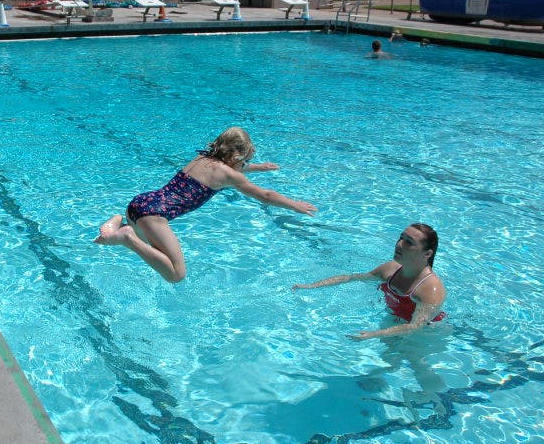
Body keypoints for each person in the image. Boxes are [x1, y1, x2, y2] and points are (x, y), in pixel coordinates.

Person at [95, 127, 318, 283]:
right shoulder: (231, 174)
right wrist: (295, 204)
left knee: (152, 251)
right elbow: (266, 195)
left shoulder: (203, 159)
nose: (244, 165)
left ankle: (119, 222)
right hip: (153, 216)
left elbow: (228, 169)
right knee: (176, 274)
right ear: (237, 156)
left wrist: (257, 168)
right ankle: (125, 236)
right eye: (244, 160)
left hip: (140, 203)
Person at [292, 223, 446, 339]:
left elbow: (415, 327)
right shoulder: (391, 269)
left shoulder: (430, 288)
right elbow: (352, 277)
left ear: (427, 254)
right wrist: (311, 286)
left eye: (409, 242)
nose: (399, 244)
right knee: (388, 360)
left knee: (418, 367)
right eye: (401, 237)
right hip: (395, 323)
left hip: (427, 333)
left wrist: (374, 334)